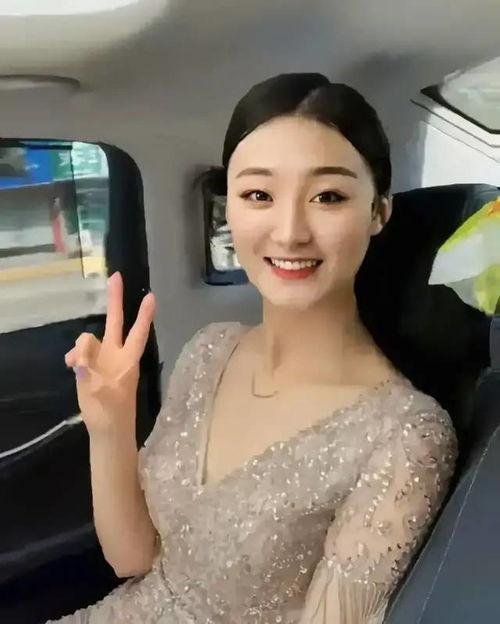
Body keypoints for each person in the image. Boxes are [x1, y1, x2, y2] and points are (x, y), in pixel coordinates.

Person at [46, 73, 457, 624]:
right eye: (259, 195)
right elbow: (134, 559)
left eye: (328, 196)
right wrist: (110, 428)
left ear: (378, 211)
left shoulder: (405, 435)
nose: (289, 232)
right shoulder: (210, 350)